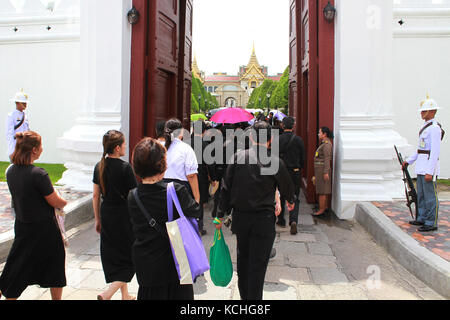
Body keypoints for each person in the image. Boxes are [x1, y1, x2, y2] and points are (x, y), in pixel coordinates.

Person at [218, 121, 295, 300]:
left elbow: (225, 187)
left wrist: (220, 213)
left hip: (241, 218)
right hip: (264, 219)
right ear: (270, 140)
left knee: (243, 261)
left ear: (251, 137)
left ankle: (246, 299)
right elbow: (287, 186)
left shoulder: (238, 157)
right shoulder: (275, 161)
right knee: (258, 266)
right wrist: (290, 201)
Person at [127, 137, 201, 300]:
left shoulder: (133, 196)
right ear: (163, 164)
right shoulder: (176, 190)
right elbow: (195, 211)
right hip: (176, 262)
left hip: (147, 265)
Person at [0, 131, 67, 300]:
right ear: (35, 150)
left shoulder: (10, 171)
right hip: (44, 229)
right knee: (55, 265)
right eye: (41, 146)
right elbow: (56, 202)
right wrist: (63, 201)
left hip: (23, 226)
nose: (42, 149)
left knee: (16, 267)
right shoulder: (38, 174)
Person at [93, 130, 137, 300]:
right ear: (118, 148)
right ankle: (107, 294)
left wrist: (97, 218)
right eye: (124, 144)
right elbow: (133, 196)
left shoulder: (99, 166)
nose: (126, 146)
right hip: (123, 215)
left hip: (107, 213)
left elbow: (96, 195)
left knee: (117, 255)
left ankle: (125, 295)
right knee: (130, 257)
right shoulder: (125, 168)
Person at [403, 95, 444, 232]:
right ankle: (421, 217)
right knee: (420, 195)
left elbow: (434, 152)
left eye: (424, 111)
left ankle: (431, 222)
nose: (421, 113)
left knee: (430, 196)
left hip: (428, 167)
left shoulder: (434, 128)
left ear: (432, 112)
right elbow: (420, 149)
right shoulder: (425, 127)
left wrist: (430, 171)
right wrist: (408, 161)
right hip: (421, 166)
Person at [162, 118, 200, 205]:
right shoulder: (186, 148)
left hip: (161, 188)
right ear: (181, 131)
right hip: (180, 190)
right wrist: (197, 198)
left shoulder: (159, 146)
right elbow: (191, 175)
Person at [278, 117, 306, 234]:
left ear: (282, 126)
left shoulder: (278, 139)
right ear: (293, 126)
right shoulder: (298, 140)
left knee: (281, 196)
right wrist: (299, 167)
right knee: (294, 196)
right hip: (294, 171)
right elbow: (303, 158)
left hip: (281, 171)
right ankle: (293, 220)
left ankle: (281, 220)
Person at [312, 127, 334, 217]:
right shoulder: (323, 144)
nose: (318, 134)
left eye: (320, 132)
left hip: (323, 170)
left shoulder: (327, 145)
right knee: (323, 190)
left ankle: (321, 210)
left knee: (322, 191)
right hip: (320, 170)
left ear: (324, 134)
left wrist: (326, 172)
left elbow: (327, 159)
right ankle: (324, 208)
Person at [5, 89, 30, 161]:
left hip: (24, 147)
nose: (25, 105)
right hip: (15, 147)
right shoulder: (11, 116)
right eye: (23, 103)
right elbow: (9, 134)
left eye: (26, 103)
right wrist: (12, 151)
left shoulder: (25, 116)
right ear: (17, 103)